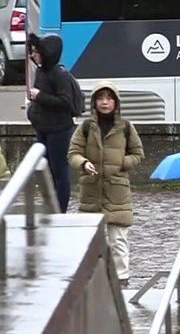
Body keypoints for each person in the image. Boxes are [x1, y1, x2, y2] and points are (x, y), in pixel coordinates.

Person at [67, 81, 144, 284]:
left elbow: (137, 153)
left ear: (116, 102)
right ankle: (93, 278)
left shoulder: (126, 127)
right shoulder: (85, 127)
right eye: (100, 98)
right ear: (94, 102)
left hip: (117, 192)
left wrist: (122, 163)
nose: (104, 102)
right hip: (91, 191)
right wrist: (83, 164)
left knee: (118, 238)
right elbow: (73, 153)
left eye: (109, 98)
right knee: (91, 239)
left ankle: (121, 279)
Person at [26, 34, 81, 212]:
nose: (33, 55)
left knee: (59, 173)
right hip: (43, 128)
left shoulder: (59, 74)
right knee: (46, 171)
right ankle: (51, 206)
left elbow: (64, 102)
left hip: (59, 130)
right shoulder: (41, 71)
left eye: (36, 52)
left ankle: (60, 209)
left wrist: (40, 96)